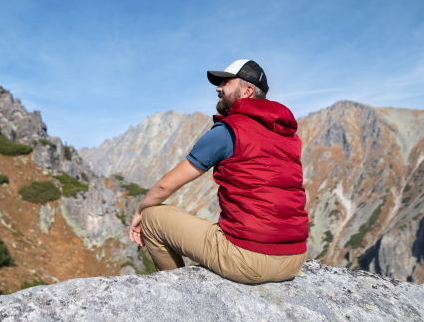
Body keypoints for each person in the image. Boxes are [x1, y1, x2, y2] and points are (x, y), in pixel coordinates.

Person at [129, 59, 308, 284]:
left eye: (225, 82)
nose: (218, 88)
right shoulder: (288, 136)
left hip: (250, 260)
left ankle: (175, 296)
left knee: (152, 218)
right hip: (295, 260)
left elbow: (166, 185)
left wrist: (140, 210)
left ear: (247, 90)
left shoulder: (229, 131)